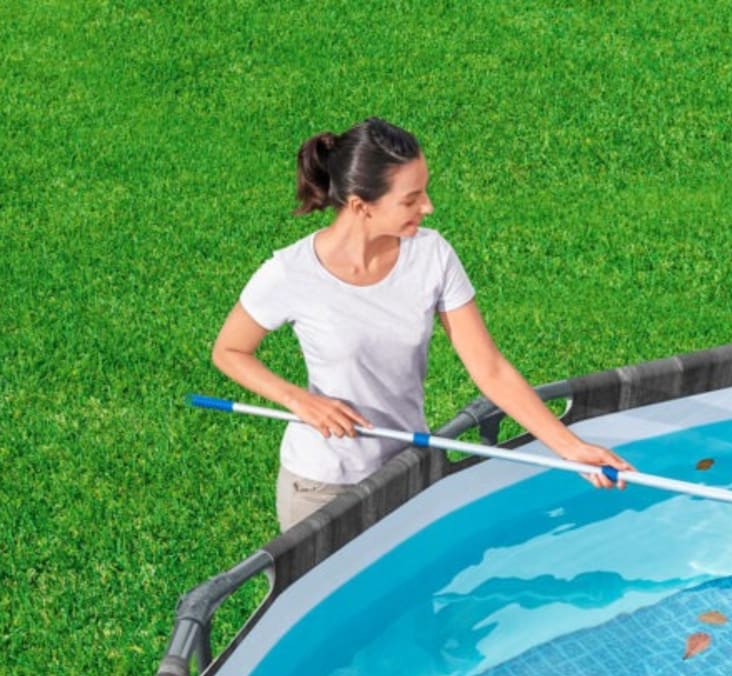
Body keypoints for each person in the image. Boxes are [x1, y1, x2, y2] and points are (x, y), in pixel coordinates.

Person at [212, 117, 632, 531]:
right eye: (411, 199)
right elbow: (229, 350)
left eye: (424, 191)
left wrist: (570, 448)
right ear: (361, 206)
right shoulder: (291, 272)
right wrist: (298, 400)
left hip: (407, 471)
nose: (427, 206)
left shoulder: (432, 256)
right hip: (323, 486)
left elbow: (489, 369)